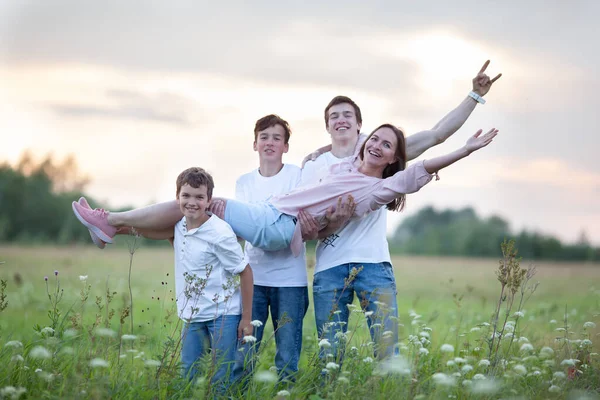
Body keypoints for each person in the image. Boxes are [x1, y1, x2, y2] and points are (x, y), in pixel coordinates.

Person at [297, 61, 502, 361]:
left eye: (347, 115)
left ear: (359, 125)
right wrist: (331, 220)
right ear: (327, 125)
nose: (340, 120)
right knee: (330, 358)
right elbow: (305, 224)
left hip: (374, 264)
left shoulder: (380, 152)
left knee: (387, 354)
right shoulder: (314, 165)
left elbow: (436, 135)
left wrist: (474, 95)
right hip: (329, 268)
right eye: (333, 116)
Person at [73, 124, 498, 257]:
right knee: (193, 217)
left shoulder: (379, 188)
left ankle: (112, 219)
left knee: (207, 204)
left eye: (386, 144)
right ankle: (115, 231)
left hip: (281, 225)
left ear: (392, 159)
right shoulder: (348, 164)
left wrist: (465, 148)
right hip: (279, 220)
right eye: (375, 138)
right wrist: (317, 151)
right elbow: (343, 148)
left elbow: (426, 152)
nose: (375, 143)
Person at [139, 167, 254, 394]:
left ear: (209, 200)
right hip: (192, 315)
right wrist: (118, 228)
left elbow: (245, 271)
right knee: (188, 375)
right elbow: (156, 232)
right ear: (177, 198)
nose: (192, 202)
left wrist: (247, 319)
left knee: (221, 377)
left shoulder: (220, 233)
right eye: (186, 196)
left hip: (222, 315)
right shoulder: (179, 226)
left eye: (199, 197)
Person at [234, 114, 311, 383]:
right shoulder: (244, 183)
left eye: (277, 138)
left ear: (285, 146)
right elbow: (246, 228)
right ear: (254, 144)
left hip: (290, 281)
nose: (270, 142)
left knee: (287, 357)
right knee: (243, 354)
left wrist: (264, 225)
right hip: (252, 279)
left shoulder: (297, 176)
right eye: (264, 137)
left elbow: (294, 222)